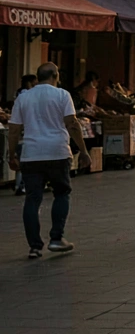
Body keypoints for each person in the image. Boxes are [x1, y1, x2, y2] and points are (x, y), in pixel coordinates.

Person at [6, 63, 90, 259]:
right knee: (61, 193)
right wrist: (83, 151)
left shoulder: (23, 97)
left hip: (32, 154)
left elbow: (14, 129)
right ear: (55, 75)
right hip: (58, 152)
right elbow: (72, 123)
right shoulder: (62, 95)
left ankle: (35, 246)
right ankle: (56, 238)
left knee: (32, 199)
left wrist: (11, 155)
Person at [11, 73, 38, 197]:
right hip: (26, 134)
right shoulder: (26, 95)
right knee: (25, 163)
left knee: (21, 163)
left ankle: (19, 185)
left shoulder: (20, 94)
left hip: (22, 134)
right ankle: (21, 186)